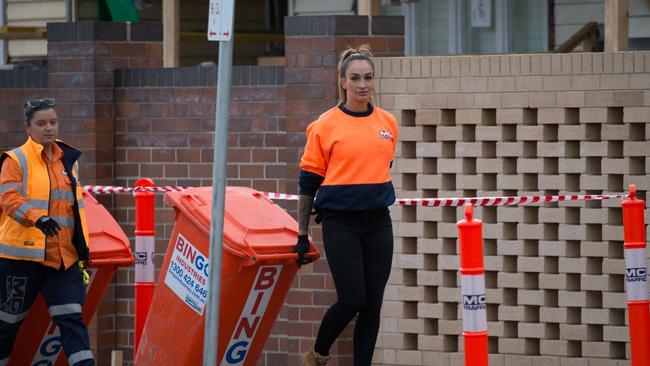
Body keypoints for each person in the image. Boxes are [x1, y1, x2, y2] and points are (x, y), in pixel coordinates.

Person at [295, 45, 398, 366]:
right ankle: (317, 355)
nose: (362, 84)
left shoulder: (388, 123)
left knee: (372, 305)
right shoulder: (324, 126)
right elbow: (307, 184)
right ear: (343, 81)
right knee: (352, 299)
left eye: (368, 77)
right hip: (341, 222)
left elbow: (381, 167)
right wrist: (301, 234)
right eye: (355, 78)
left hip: (379, 221)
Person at [0, 98, 94, 366]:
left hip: (62, 259)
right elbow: (8, 199)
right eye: (41, 124)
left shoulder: (68, 160)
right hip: (21, 260)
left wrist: (82, 251)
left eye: (53, 122)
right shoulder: (15, 159)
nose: (49, 128)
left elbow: (73, 210)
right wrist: (36, 218)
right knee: (6, 325)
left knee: (72, 321)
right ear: (28, 128)